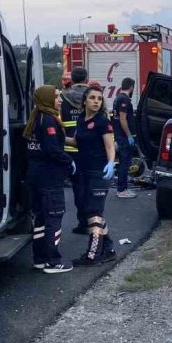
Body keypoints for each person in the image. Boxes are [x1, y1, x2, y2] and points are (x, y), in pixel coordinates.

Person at [23, 85, 75, 274]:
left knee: (40, 219)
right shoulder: (50, 120)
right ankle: (53, 261)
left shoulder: (35, 118)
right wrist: (69, 162)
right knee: (54, 216)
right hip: (49, 177)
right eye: (56, 97)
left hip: (34, 175)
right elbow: (52, 149)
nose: (60, 100)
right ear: (46, 99)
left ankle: (39, 258)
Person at [68, 84, 118, 265]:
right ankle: (109, 248)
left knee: (94, 212)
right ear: (85, 100)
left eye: (99, 99)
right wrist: (58, 137)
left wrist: (111, 163)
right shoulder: (81, 119)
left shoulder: (102, 121)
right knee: (88, 209)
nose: (96, 101)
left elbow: (110, 146)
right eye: (92, 98)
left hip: (99, 172)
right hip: (83, 171)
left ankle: (92, 255)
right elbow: (76, 141)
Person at [61, 66, 91, 233]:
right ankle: (94, 222)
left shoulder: (62, 97)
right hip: (91, 149)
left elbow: (58, 123)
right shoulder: (94, 96)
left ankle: (83, 222)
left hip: (70, 150)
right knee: (92, 186)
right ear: (86, 79)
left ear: (71, 79)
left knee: (78, 187)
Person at [112, 77, 137, 199]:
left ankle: (123, 188)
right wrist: (129, 136)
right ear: (131, 86)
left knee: (124, 163)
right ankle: (121, 190)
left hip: (119, 136)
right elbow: (122, 119)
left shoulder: (118, 98)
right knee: (124, 163)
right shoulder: (124, 100)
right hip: (123, 137)